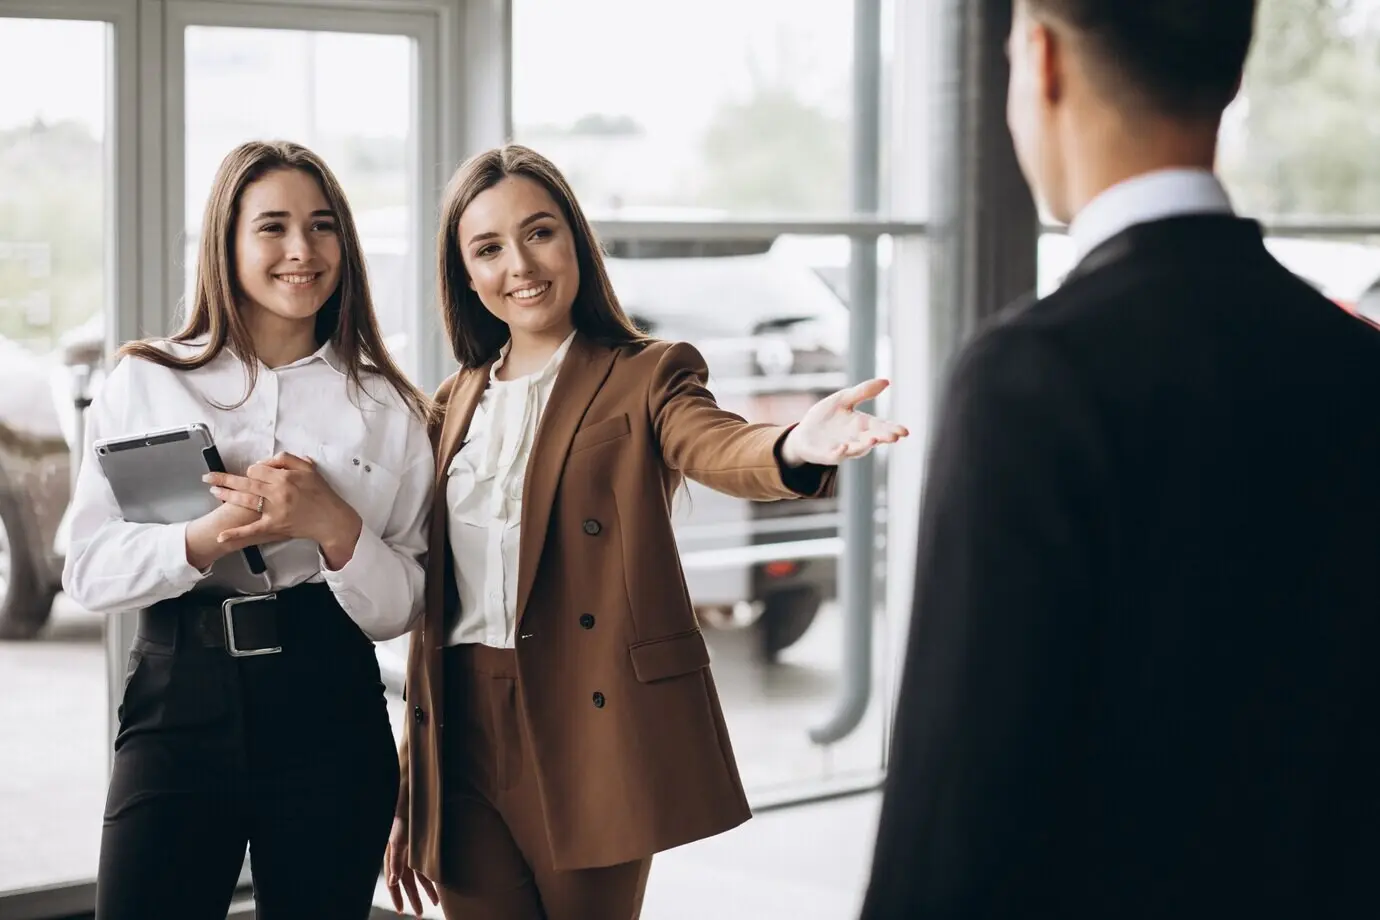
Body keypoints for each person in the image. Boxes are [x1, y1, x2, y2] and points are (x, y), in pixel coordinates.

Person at [860, 1, 1380, 918]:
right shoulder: (1355, 361)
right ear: (1229, 74)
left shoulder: (1032, 378)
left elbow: (957, 814)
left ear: (1041, 57)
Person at [382, 143, 909, 919]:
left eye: (539, 232)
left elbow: (716, 444)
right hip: (460, 735)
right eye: (488, 248)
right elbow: (434, 609)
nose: (520, 265)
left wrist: (794, 444)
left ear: (576, 242)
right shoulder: (450, 404)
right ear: (464, 275)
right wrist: (410, 786)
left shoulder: (645, 373)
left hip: (586, 723)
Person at [63, 140, 433, 920]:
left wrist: (335, 526)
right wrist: (205, 538)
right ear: (226, 244)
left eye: (323, 226)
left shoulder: (389, 405)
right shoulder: (149, 380)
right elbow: (88, 569)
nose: (302, 250)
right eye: (273, 227)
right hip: (177, 698)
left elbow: (400, 606)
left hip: (330, 702)